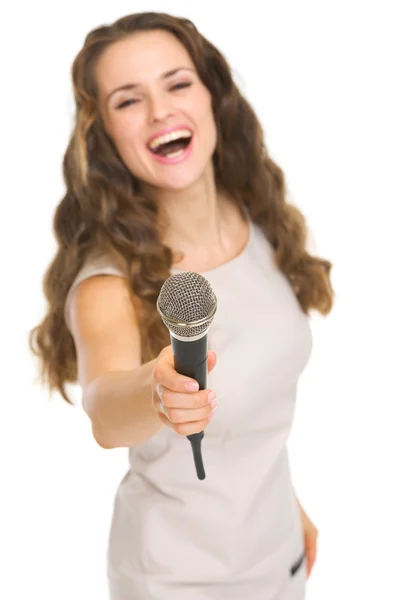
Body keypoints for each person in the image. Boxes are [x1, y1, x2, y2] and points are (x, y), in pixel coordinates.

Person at [29, 11, 334, 600]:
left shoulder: (257, 221)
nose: (161, 111)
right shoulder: (107, 283)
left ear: (213, 95)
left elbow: (257, 409)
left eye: (177, 83)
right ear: (104, 136)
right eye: (127, 101)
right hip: (176, 582)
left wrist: (283, 506)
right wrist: (156, 391)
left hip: (280, 560)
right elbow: (104, 409)